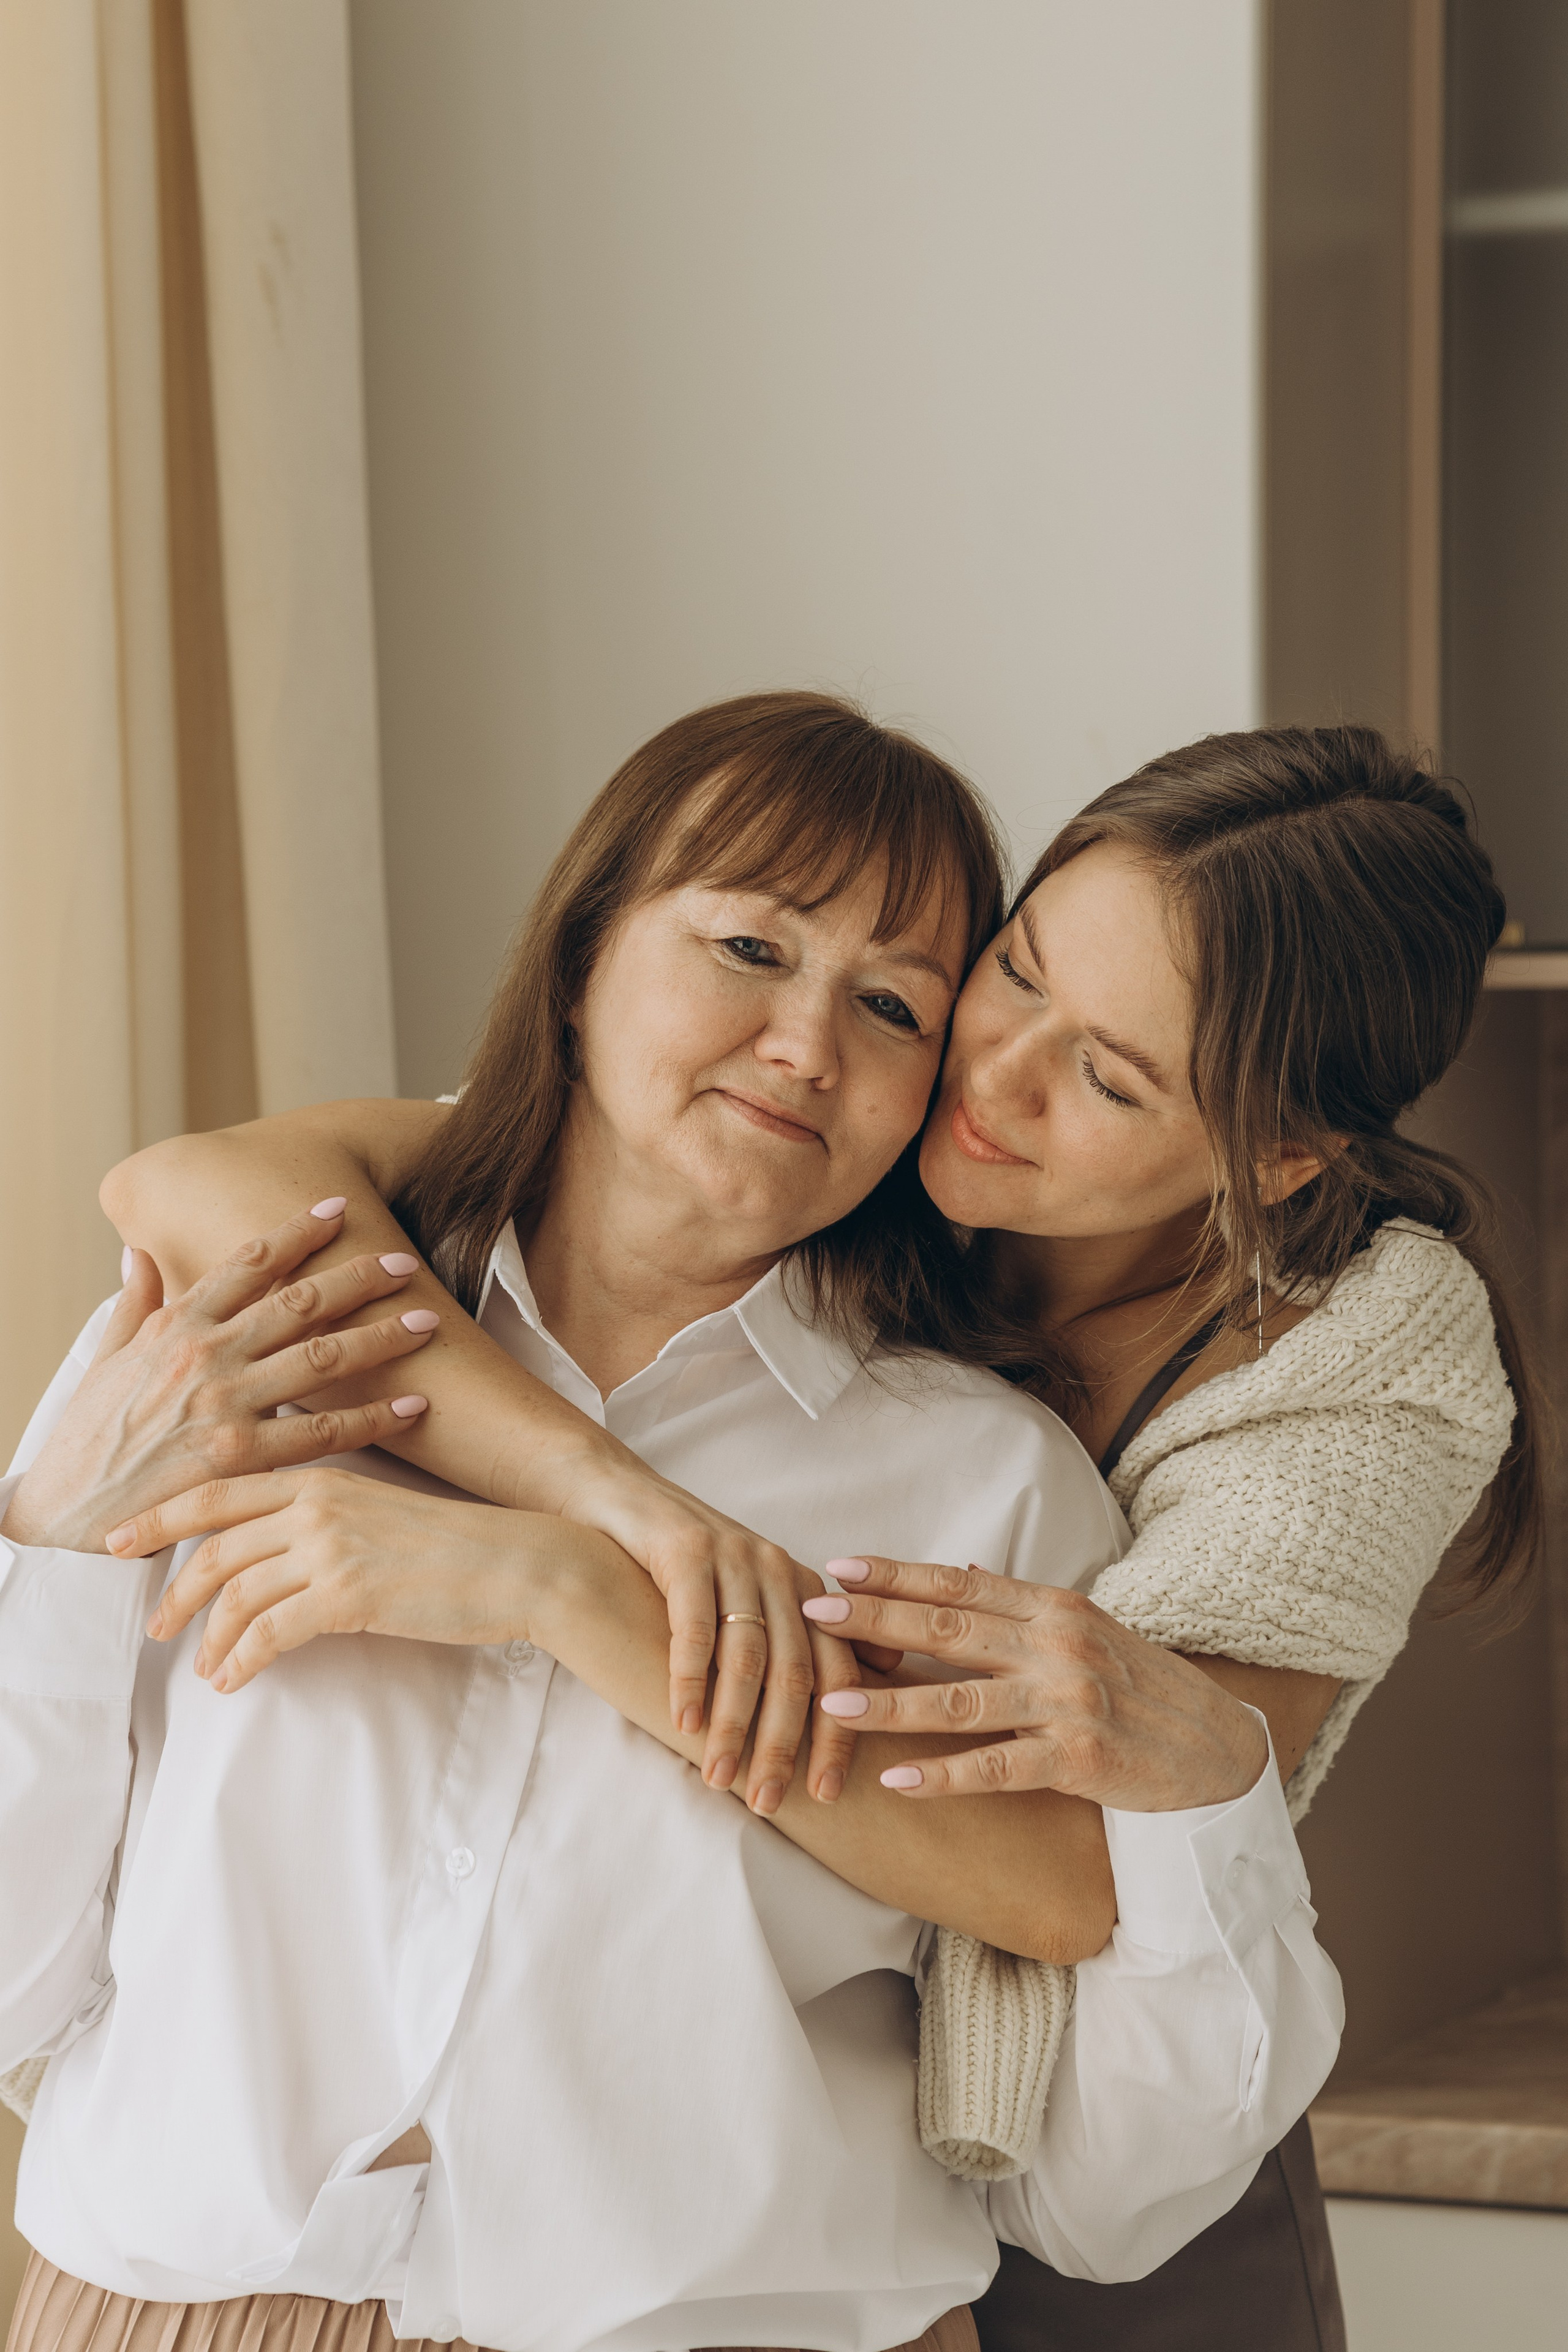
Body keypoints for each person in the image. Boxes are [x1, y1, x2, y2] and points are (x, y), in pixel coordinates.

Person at [103, 712, 1527, 2352]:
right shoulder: (841, 1099)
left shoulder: (1363, 1366)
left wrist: (571, 1586)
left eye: (1111, 1076)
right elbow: (210, 1185)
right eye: (1017, 973)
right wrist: (610, 1495)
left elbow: (1088, 1867)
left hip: (1092, 2106)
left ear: (1277, 1157)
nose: (991, 1081)